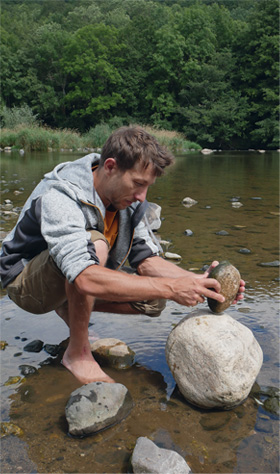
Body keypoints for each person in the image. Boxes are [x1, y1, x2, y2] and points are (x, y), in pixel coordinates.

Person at [0, 126, 245, 385]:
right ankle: (78, 353)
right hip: (24, 283)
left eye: (148, 186)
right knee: (96, 245)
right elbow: (84, 277)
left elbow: (148, 261)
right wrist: (172, 287)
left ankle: (68, 305)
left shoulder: (127, 201)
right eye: (138, 184)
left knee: (153, 299)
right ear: (110, 167)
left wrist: (200, 282)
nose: (142, 196)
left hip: (73, 272)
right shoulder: (62, 193)